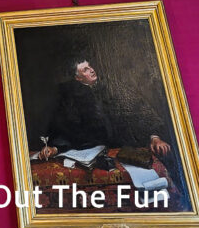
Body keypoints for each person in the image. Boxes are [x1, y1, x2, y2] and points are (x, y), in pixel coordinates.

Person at [39, 57, 172, 159]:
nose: (91, 70)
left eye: (90, 66)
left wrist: (155, 138)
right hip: (91, 154)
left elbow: (140, 112)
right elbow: (67, 130)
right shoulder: (70, 98)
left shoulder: (114, 88)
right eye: (85, 69)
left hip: (124, 150)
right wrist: (55, 148)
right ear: (78, 78)